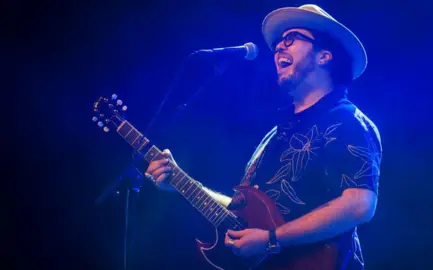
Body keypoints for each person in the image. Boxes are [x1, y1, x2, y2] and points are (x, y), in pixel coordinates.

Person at [145, 4, 382, 269]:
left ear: (324, 56)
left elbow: (360, 205)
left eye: (291, 38)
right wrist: (180, 183)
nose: (279, 46)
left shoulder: (348, 121)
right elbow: (241, 213)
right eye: (279, 42)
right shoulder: (274, 136)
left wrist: (271, 239)